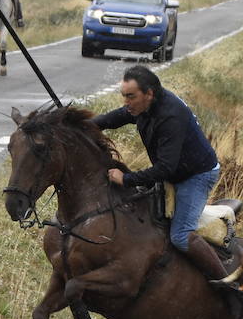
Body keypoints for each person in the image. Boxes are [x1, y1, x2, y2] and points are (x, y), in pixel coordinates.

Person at [92, 65, 226, 282]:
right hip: (173, 172)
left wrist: (126, 179)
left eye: (130, 97)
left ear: (149, 94)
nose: (126, 102)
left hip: (197, 175)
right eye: (124, 96)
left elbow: (165, 168)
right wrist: (85, 126)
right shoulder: (143, 106)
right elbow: (116, 118)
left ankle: (226, 282)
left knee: (180, 236)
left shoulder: (170, 117)